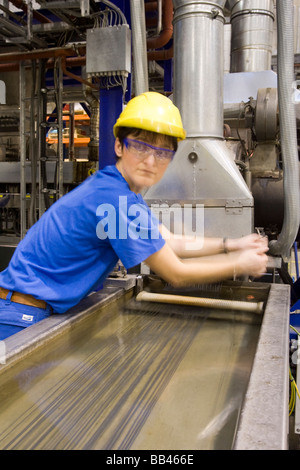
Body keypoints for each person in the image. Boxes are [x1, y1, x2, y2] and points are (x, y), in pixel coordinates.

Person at [0, 92, 268, 340]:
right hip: (19, 314)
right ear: (119, 146)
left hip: (23, 306)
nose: (151, 161)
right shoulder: (114, 200)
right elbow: (176, 273)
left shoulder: (121, 192)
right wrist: (238, 264)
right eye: (140, 147)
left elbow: (169, 241)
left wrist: (230, 245)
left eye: (163, 152)